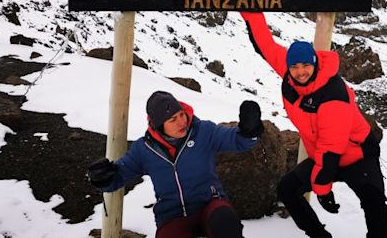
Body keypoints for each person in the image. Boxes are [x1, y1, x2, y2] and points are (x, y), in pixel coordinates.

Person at [238, 12, 387, 238]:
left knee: (375, 204)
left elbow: (331, 151)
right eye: (295, 67)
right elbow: (265, 44)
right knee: (287, 190)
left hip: (357, 155)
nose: (300, 72)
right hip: (322, 155)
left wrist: (322, 190)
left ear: (315, 64)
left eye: (305, 66)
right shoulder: (292, 74)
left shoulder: (333, 95)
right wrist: (250, 8)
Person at [88, 90, 263, 238]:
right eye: (173, 120)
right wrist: (103, 178)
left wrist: (249, 130)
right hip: (172, 215)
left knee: (225, 221)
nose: (182, 122)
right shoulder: (144, 149)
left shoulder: (203, 131)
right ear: (157, 125)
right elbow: (120, 175)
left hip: (210, 204)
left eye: (181, 115)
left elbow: (238, 141)